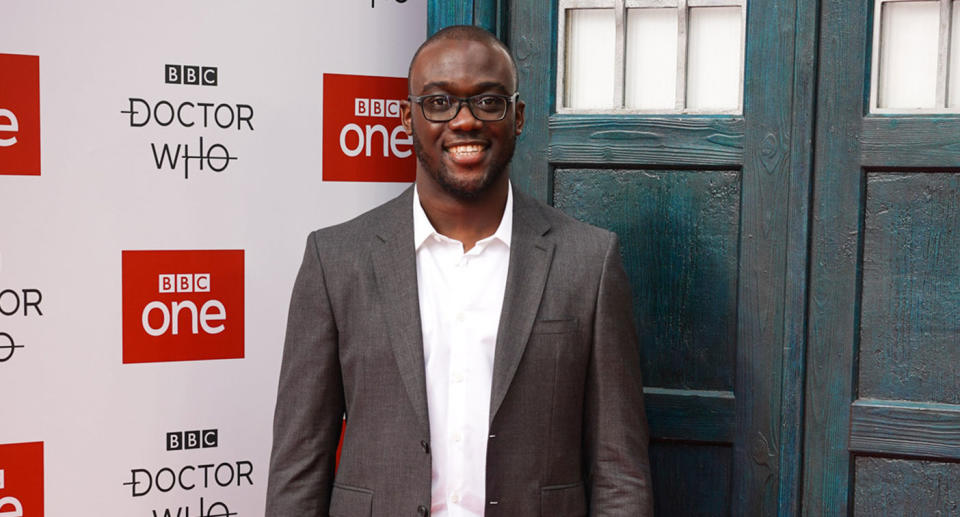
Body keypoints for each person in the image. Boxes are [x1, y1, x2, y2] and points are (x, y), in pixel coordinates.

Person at [266, 25, 653, 517]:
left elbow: (620, 470)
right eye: (439, 103)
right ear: (407, 118)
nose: (464, 121)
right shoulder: (335, 259)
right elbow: (299, 465)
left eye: (488, 102)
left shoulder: (589, 261)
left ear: (518, 117)